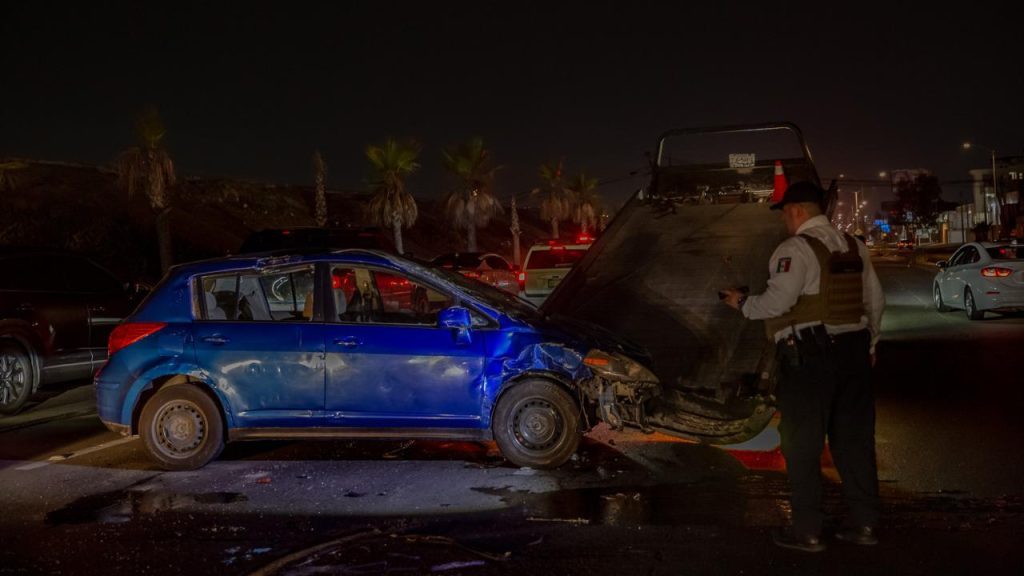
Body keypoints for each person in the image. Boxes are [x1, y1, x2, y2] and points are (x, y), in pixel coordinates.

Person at [721, 181, 885, 553]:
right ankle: (865, 525)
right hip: (854, 355)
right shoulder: (854, 246)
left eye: (783, 214)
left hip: (810, 360)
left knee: (802, 445)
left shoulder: (794, 249)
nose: (783, 221)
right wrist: (870, 343)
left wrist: (742, 303)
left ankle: (808, 530)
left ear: (795, 211)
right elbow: (874, 302)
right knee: (855, 442)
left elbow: (777, 302)